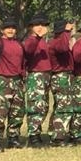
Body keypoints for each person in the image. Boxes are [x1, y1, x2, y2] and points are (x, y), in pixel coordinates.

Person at [0, 19, 25, 152]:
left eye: (13, 28)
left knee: (17, 112)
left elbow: (22, 62)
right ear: (2, 30)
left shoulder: (19, 43)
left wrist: (23, 76)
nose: (10, 30)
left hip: (17, 81)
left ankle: (13, 138)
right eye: (7, 28)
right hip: (2, 80)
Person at [22, 13, 52, 148]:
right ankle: (33, 136)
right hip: (36, 75)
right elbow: (28, 51)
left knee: (44, 106)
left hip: (46, 75)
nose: (41, 27)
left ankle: (37, 133)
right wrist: (37, 36)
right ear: (31, 28)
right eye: (37, 25)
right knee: (36, 106)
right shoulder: (30, 40)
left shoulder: (43, 41)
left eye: (43, 25)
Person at [47, 20, 75, 146]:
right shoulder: (56, 43)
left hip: (66, 76)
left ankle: (54, 133)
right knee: (64, 107)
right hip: (61, 76)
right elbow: (63, 48)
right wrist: (67, 32)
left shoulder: (58, 41)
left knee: (60, 106)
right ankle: (58, 138)